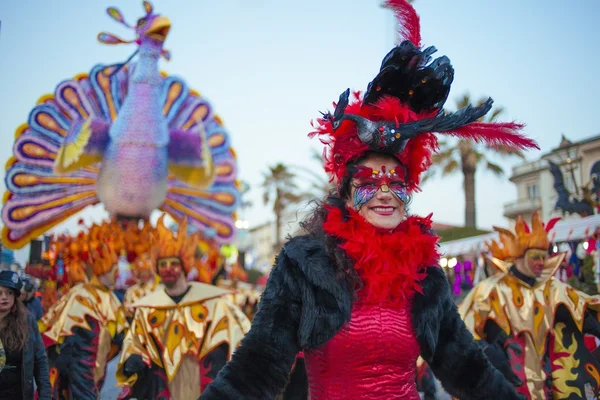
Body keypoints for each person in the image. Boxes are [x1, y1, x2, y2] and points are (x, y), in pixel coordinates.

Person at [200, 1, 539, 399]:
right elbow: (255, 370)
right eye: (367, 179)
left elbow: (468, 369)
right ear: (344, 191)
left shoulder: (424, 273)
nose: (383, 191)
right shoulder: (306, 266)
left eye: (395, 181)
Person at [459, 211, 600, 399]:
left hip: (550, 380)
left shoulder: (553, 288)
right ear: (520, 257)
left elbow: (583, 313)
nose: (541, 262)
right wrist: (489, 355)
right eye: (535, 256)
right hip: (508, 382)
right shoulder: (491, 290)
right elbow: (463, 330)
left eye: (544, 256)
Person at [116, 215, 251, 399]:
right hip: (163, 389)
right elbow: (135, 343)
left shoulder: (213, 303)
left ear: (184, 266)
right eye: (162, 264)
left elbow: (240, 335)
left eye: (174, 263)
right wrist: (132, 359)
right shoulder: (148, 309)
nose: (168, 268)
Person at [39, 242, 128, 400]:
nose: (117, 276)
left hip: (96, 368)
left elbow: (119, 335)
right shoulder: (81, 295)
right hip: (79, 368)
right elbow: (74, 343)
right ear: (102, 271)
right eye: (114, 271)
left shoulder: (111, 298)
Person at [0, 270, 51, 399]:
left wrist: (45, 395)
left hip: (18, 394)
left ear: (15, 296)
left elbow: (40, 360)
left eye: (9, 293)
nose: (4, 297)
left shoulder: (27, 321)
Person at [122, 253, 161, 319]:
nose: (144, 276)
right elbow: (126, 309)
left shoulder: (157, 289)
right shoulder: (131, 291)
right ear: (138, 275)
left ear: (150, 274)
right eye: (142, 274)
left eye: (146, 273)